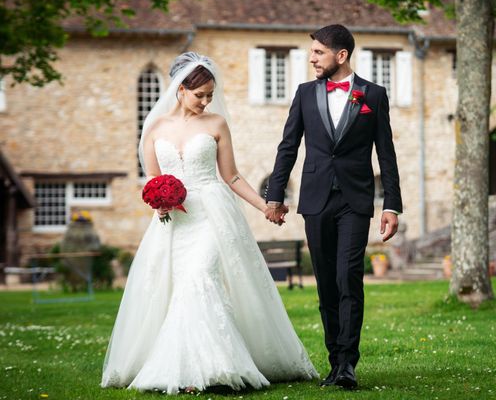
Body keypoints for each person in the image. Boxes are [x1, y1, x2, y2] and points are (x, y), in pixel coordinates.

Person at [101, 52, 317, 395]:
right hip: (175, 219)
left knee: (201, 278)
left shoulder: (216, 125)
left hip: (213, 215)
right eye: (199, 95)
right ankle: (185, 367)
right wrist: (159, 203)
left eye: (210, 96)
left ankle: (219, 367)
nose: (205, 102)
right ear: (180, 89)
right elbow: (153, 180)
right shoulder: (155, 128)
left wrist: (265, 206)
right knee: (176, 286)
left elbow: (231, 176)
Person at [265, 24, 403, 390]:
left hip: (356, 200)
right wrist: (275, 194)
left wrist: (392, 205)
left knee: (348, 278)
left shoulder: (374, 94)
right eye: (311, 52)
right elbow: (288, 146)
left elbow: (385, 152)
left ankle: (347, 365)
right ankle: (332, 360)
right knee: (326, 283)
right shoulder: (305, 94)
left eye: (317, 53)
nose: (311, 59)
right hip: (315, 198)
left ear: (340, 56)